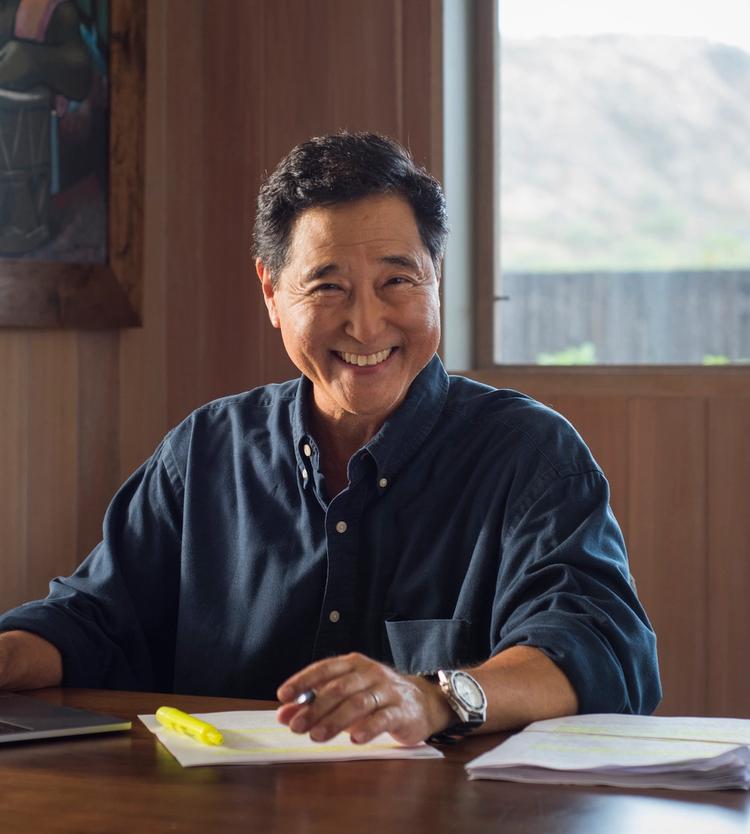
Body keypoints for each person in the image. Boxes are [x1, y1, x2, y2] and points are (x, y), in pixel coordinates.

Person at [0, 132, 660, 746]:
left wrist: (433, 697)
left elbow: (596, 650)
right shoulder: (205, 454)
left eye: (396, 281)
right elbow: (91, 622)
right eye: (328, 287)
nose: (366, 325)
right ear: (271, 292)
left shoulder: (531, 455)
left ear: (436, 276)